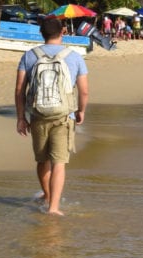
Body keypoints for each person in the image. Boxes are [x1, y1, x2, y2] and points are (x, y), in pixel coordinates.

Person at [15, 17, 88, 216]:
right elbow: (84, 91)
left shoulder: (29, 56)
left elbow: (20, 89)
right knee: (59, 162)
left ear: (41, 33)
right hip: (64, 116)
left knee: (42, 160)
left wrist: (21, 117)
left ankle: (47, 195)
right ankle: (53, 208)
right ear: (63, 31)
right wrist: (81, 111)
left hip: (38, 115)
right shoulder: (74, 57)